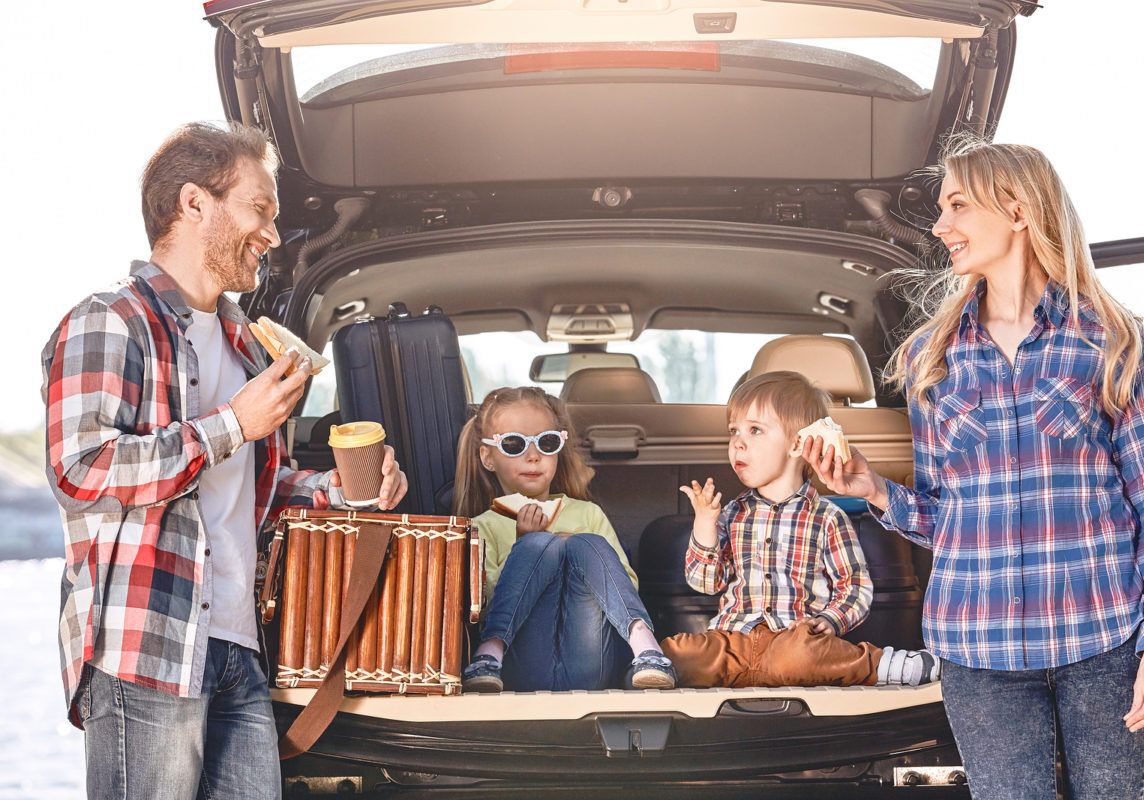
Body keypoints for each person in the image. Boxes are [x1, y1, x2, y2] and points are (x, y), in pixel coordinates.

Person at [802, 135, 1144, 800]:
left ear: (1016, 209)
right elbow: (944, 518)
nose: (940, 225)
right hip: (978, 651)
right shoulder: (934, 356)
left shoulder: (1108, 336)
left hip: (1102, 639)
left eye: (956, 205)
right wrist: (870, 488)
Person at [40, 122, 407, 800]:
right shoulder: (110, 320)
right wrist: (232, 424)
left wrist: (345, 490)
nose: (272, 233)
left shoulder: (244, 343)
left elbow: (254, 493)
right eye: (260, 208)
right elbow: (82, 469)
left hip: (240, 648)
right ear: (193, 203)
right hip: (148, 646)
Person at [661, 371, 939, 688]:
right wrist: (705, 524)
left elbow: (854, 587)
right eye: (734, 431)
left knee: (807, 655)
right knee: (680, 652)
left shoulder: (826, 517)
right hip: (732, 641)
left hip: (793, 637)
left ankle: (886, 664)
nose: (738, 442)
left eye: (754, 430)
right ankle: (654, 664)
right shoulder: (730, 514)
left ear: (797, 444)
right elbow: (707, 583)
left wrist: (831, 620)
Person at [454, 386, 675, 692]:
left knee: (588, 544)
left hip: (590, 659)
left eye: (546, 443)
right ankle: (489, 653)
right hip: (515, 668)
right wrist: (526, 550)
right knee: (537, 545)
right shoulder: (482, 526)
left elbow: (628, 584)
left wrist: (575, 551)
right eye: (514, 444)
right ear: (488, 457)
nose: (533, 456)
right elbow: (480, 605)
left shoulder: (588, 513)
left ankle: (646, 647)